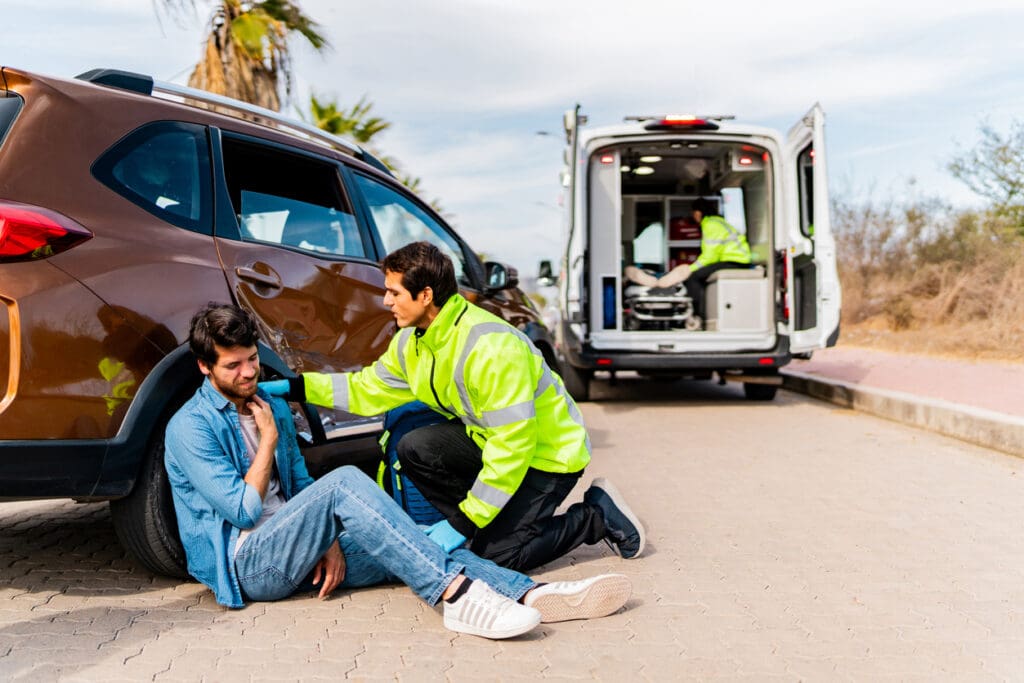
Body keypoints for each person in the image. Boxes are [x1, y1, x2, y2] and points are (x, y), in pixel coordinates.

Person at [164, 303, 633, 640]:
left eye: (251, 360)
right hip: (249, 565)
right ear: (205, 367)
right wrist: (266, 442)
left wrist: (325, 539)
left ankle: (532, 594)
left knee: (418, 538)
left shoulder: (270, 405)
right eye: (233, 366)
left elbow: (302, 487)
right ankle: (453, 594)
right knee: (347, 481)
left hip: (300, 548)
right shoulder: (189, 427)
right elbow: (245, 513)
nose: (248, 373)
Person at [261, 241, 645, 572]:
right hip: (491, 442)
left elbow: (514, 444)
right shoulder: (413, 341)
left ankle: (594, 515)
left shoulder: (490, 346)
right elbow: (369, 388)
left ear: (425, 295)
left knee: (500, 556)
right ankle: (483, 529)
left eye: (394, 292)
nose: (385, 301)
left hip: (546, 455)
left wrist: (464, 521)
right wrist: (296, 386)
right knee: (416, 446)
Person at [623, 198, 752, 322]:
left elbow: (710, 256)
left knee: (694, 278)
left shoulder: (710, 224)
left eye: (693, 213)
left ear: (698, 213)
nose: (693, 216)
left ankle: (698, 316)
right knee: (695, 275)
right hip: (737, 260)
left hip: (734, 261)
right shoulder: (718, 222)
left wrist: (690, 269)